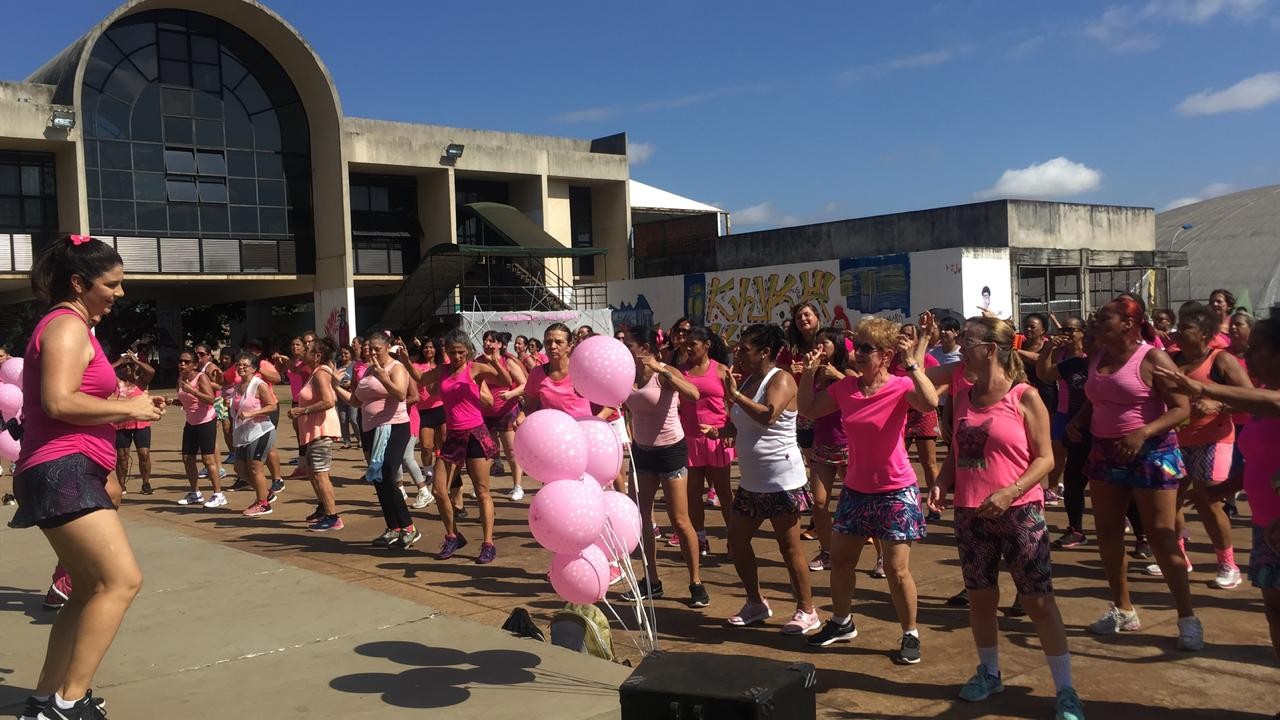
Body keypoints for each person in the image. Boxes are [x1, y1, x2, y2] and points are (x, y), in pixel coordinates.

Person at [10, 234, 164, 719]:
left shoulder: (75, 326)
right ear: (79, 283)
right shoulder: (66, 327)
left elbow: (75, 400)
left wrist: (123, 407)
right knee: (121, 582)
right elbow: (58, 402)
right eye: (111, 284)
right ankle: (66, 703)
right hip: (62, 467)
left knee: (85, 589)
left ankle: (47, 698)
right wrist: (126, 406)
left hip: (64, 467)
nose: (119, 293)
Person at [926, 317, 1085, 719]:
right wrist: (942, 483)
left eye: (968, 340)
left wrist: (1010, 491)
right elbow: (959, 453)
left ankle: (1066, 690)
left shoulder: (1024, 396)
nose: (961, 346)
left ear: (991, 349)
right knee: (980, 599)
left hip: (1019, 510)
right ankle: (989, 671)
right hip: (970, 512)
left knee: (1038, 601)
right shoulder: (962, 395)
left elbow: (1046, 459)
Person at [800, 317, 938, 663]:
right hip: (856, 490)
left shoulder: (901, 386)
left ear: (886, 355)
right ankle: (842, 622)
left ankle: (910, 632)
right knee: (842, 561)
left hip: (896, 490)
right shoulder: (845, 388)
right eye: (855, 346)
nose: (857, 353)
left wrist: (913, 364)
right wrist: (807, 373)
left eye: (866, 348)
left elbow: (930, 403)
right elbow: (808, 409)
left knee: (896, 568)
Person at [1069, 295, 1202, 650]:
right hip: (1105, 450)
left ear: (1128, 323)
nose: (1096, 322)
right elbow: (1096, 396)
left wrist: (1142, 432)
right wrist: (1080, 420)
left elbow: (1181, 408)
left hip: (1153, 452)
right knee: (1108, 532)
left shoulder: (1152, 357)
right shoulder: (1098, 356)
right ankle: (1123, 609)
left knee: (1160, 534)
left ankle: (1187, 616)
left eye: (1104, 317)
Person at [1154, 315, 1280, 664]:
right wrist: (1222, 489)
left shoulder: (1269, 401)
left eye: (1257, 350)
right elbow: (1260, 461)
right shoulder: (1260, 402)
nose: (1248, 358)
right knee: (1275, 610)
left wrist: (1204, 387)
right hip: (1265, 528)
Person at [722, 324, 818, 633]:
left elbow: (768, 415)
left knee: (789, 548)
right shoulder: (749, 379)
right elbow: (745, 422)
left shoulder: (782, 379)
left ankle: (807, 610)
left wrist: (734, 395)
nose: (738, 353)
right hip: (752, 480)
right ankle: (756, 603)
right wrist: (724, 430)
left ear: (764, 352)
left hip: (781, 480)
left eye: (745, 349)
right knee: (736, 543)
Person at [1163, 305, 1251, 589]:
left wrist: (1219, 405)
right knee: (1169, 500)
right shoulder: (1170, 360)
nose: (1178, 332)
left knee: (1207, 500)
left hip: (1214, 439)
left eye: (1186, 327)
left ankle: (1228, 563)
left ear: (1204, 333)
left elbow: (1251, 399)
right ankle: (1179, 557)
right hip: (1175, 442)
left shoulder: (1221, 361)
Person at [617, 327, 705, 606]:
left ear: (644, 347)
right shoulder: (623, 374)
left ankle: (696, 583)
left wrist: (660, 369)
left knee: (680, 520)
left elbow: (693, 393)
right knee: (641, 519)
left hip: (670, 452)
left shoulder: (662, 372)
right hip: (642, 453)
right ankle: (651, 581)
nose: (622, 348)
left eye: (627, 344)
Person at [418, 329, 512, 562]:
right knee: (440, 490)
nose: (457, 356)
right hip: (453, 435)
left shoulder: (475, 369)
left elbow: (506, 381)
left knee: (482, 492)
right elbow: (421, 380)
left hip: (477, 434)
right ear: (446, 353)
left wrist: (493, 361)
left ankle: (488, 543)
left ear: (468, 352)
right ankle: (453, 536)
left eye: (461, 352)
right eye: (452, 352)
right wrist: (404, 363)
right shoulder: (443, 371)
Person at [333, 333, 421, 550]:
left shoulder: (396, 367)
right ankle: (393, 527)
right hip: (371, 430)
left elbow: (401, 395)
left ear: (388, 347)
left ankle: (409, 528)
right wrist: (335, 385)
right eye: (368, 348)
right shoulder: (368, 370)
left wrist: (384, 377)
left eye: (376, 349)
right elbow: (355, 401)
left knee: (389, 473)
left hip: (395, 427)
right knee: (379, 479)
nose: (371, 352)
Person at [678, 326, 736, 560]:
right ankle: (700, 539)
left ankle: (734, 540)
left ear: (707, 345)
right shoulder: (681, 372)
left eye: (693, 343)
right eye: (686, 344)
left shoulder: (721, 371)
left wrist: (728, 431)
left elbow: (733, 404)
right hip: (690, 439)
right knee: (693, 494)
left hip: (717, 439)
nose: (688, 347)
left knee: (724, 492)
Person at [801, 328, 856, 573]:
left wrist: (836, 374)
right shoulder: (814, 372)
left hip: (848, 444)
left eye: (826, 341)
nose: (821, 345)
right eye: (818, 341)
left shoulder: (847, 371)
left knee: (859, 502)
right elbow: (804, 405)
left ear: (837, 345)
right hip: (821, 443)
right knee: (819, 501)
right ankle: (827, 551)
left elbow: (861, 393)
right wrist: (807, 372)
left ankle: (880, 554)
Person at [1037, 318, 1092, 548]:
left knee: (1114, 484)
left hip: (1103, 426)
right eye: (1063, 329)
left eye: (1071, 330)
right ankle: (1076, 529)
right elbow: (1045, 374)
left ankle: (1141, 535)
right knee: (1072, 477)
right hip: (1071, 419)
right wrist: (1048, 349)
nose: (1066, 334)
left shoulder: (1099, 359)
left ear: (1084, 333)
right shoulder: (1065, 359)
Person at [288, 337, 343, 531]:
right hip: (313, 431)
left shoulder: (321, 373)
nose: (303, 351)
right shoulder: (315, 372)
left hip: (322, 430)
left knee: (320, 474)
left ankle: (333, 517)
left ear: (317, 355)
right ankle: (323, 508)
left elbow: (329, 401)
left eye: (308, 349)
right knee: (313, 473)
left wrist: (301, 411)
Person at [167, 349, 225, 508]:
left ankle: (218, 494)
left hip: (206, 421)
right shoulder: (180, 378)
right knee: (187, 458)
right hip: (191, 422)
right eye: (180, 361)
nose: (182, 364)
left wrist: (192, 390)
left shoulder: (201, 377)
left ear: (194, 365)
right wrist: (172, 401)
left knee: (208, 459)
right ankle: (195, 493)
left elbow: (211, 399)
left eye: (186, 362)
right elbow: (186, 401)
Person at [1018, 313, 1061, 503]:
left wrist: (1019, 353)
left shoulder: (1049, 346)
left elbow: (1043, 361)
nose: (1028, 329)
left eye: (1033, 326)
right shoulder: (1022, 345)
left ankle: (1052, 484)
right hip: (1024, 395)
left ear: (1043, 330)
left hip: (1046, 395)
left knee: (1046, 440)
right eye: (1026, 326)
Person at [479, 331, 528, 500]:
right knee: (488, 452)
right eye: (485, 340)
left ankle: (518, 486)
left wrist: (510, 394)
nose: (488, 343)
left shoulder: (508, 361)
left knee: (511, 451)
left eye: (492, 341)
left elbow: (525, 385)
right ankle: (483, 488)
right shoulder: (478, 362)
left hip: (507, 411)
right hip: (486, 413)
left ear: (499, 345)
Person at [229, 353, 279, 517]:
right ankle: (265, 492)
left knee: (255, 467)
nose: (241, 367)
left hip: (261, 430)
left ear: (254, 369)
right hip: (245, 433)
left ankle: (263, 504)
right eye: (239, 364)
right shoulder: (238, 385)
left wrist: (253, 413)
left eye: (245, 365)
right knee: (240, 469)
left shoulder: (259, 385)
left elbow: (272, 406)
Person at [403, 337, 444, 508]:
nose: (428, 350)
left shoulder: (442, 366)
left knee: (442, 445)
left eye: (431, 347)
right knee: (426, 445)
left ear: (436, 350)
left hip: (441, 408)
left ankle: (442, 477)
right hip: (423, 411)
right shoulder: (416, 367)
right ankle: (428, 472)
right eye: (425, 348)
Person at [111, 351, 155, 496]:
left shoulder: (140, 381)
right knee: (122, 456)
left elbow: (151, 371)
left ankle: (146, 483)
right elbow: (102, 373)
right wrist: (119, 362)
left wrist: (136, 361)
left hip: (141, 424)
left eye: (130, 366)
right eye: (126, 366)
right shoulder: (115, 381)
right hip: (121, 424)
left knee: (144, 454)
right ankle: (121, 484)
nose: (128, 368)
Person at [334, 346, 361, 450]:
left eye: (346, 353)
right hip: (341, 397)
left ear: (351, 354)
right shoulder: (338, 366)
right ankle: (347, 441)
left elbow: (358, 379)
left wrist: (350, 383)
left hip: (352, 396)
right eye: (342, 354)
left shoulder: (355, 365)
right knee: (343, 420)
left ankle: (360, 440)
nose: (343, 356)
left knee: (353, 419)